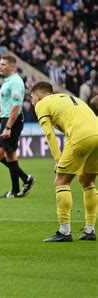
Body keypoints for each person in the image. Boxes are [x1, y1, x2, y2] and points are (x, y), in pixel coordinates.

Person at [31, 81, 97, 242]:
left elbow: (49, 134)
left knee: (61, 180)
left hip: (82, 136)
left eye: (32, 97)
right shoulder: (70, 99)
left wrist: (58, 159)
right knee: (87, 180)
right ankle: (89, 230)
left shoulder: (42, 104)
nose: (32, 101)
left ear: (38, 95)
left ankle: (64, 231)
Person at [0, 56, 35, 199]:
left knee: (7, 154)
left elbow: (16, 106)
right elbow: (8, 106)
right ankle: (19, 186)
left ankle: (24, 181)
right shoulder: (8, 81)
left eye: (3, 64)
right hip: (7, 119)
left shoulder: (15, 82)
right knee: (2, 154)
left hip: (12, 121)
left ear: (12, 66)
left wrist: (8, 127)